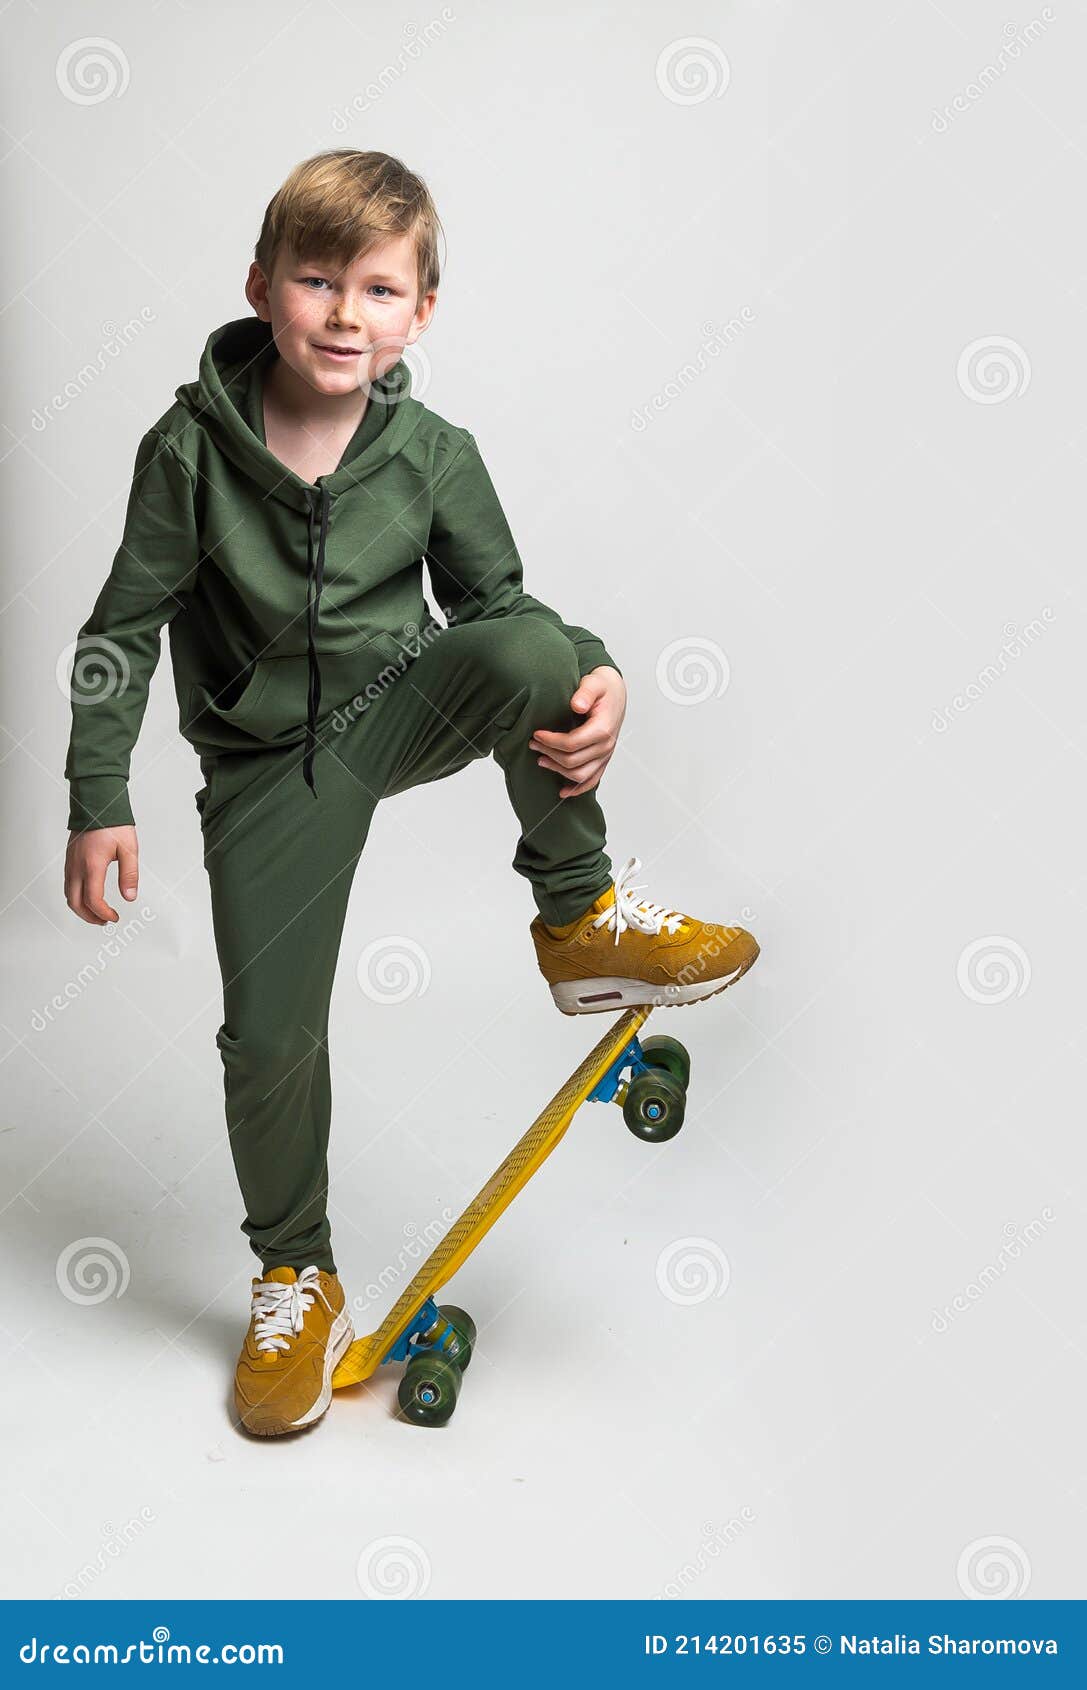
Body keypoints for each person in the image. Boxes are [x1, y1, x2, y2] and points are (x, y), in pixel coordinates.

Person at [62, 149, 759, 1437]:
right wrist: (98, 788)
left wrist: (593, 676)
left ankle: (579, 920)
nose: (343, 316)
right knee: (269, 1043)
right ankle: (295, 1275)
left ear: (419, 312)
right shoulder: (188, 453)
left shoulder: (435, 453)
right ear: (263, 286)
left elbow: (501, 612)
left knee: (548, 650)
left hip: (394, 707)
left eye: (378, 291)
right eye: (317, 282)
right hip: (267, 763)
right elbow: (123, 624)